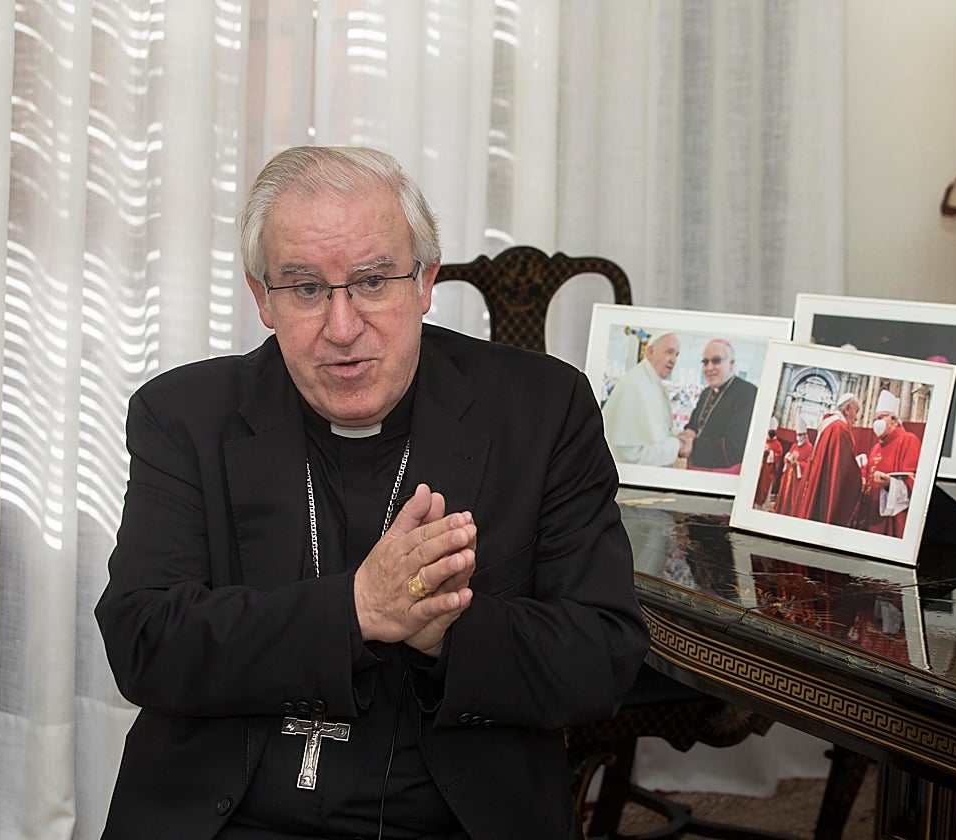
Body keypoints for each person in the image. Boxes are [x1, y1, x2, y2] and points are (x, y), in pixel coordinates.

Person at [94, 146, 649, 840]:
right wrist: (358, 609)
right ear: (261, 298)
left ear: (424, 282)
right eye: (304, 289)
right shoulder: (184, 415)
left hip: (451, 820)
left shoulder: (541, 410)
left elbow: (601, 657)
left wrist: (448, 634)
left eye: (373, 281)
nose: (343, 327)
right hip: (230, 816)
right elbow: (145, 640)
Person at [600, 332, 684, 465]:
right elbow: (630, 455)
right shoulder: (634, 385)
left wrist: (677, 435)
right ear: (651, 351)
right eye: (669, 352)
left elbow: (658, 430)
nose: (673, 360)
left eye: (676, 354)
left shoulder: (654, 383)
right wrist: (677, 446)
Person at [678, 339, 758, 471]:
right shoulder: (706, 392)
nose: (709, 368)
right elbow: (693, 425)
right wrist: (688, 433)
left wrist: (694, 444)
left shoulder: (747, 393)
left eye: (716, 361)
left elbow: (734, 448)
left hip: (723, 474)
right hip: (696, 468)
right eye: (705, 362)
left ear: (731, 363)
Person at [857, 390, 921, 538]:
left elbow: (914, 480)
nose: (876, 423)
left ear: (893, 419)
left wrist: (890, 484)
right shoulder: (875, 448)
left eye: (880, 417)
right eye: (875, 419)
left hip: (891, 518)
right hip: (871, 514)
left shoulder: (908, 440)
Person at [792, 393, 862, 526]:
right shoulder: (840, 428)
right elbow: (843, 468)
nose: (857, 417)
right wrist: (858, 466)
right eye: (856, 411)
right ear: (847, 409)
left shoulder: (829, 424)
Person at [773, 415, 813, 515]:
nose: (798, 437)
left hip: (797, 478)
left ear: (805, 435)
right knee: (784, 497)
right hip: (788, 475)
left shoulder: (809, 448)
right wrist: (787, 458)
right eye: (797, 435)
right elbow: (786, 457)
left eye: (800, 435)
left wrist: (798, 464)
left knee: (793, 499)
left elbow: (809, 465)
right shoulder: (794, 445)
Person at [752, 424, 786, 508]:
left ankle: (763, 506)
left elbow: (778, 456)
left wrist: (770, 452)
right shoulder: (763, 440)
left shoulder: (778, 444)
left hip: (768, 470)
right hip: (759, 468)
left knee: (764, 488)